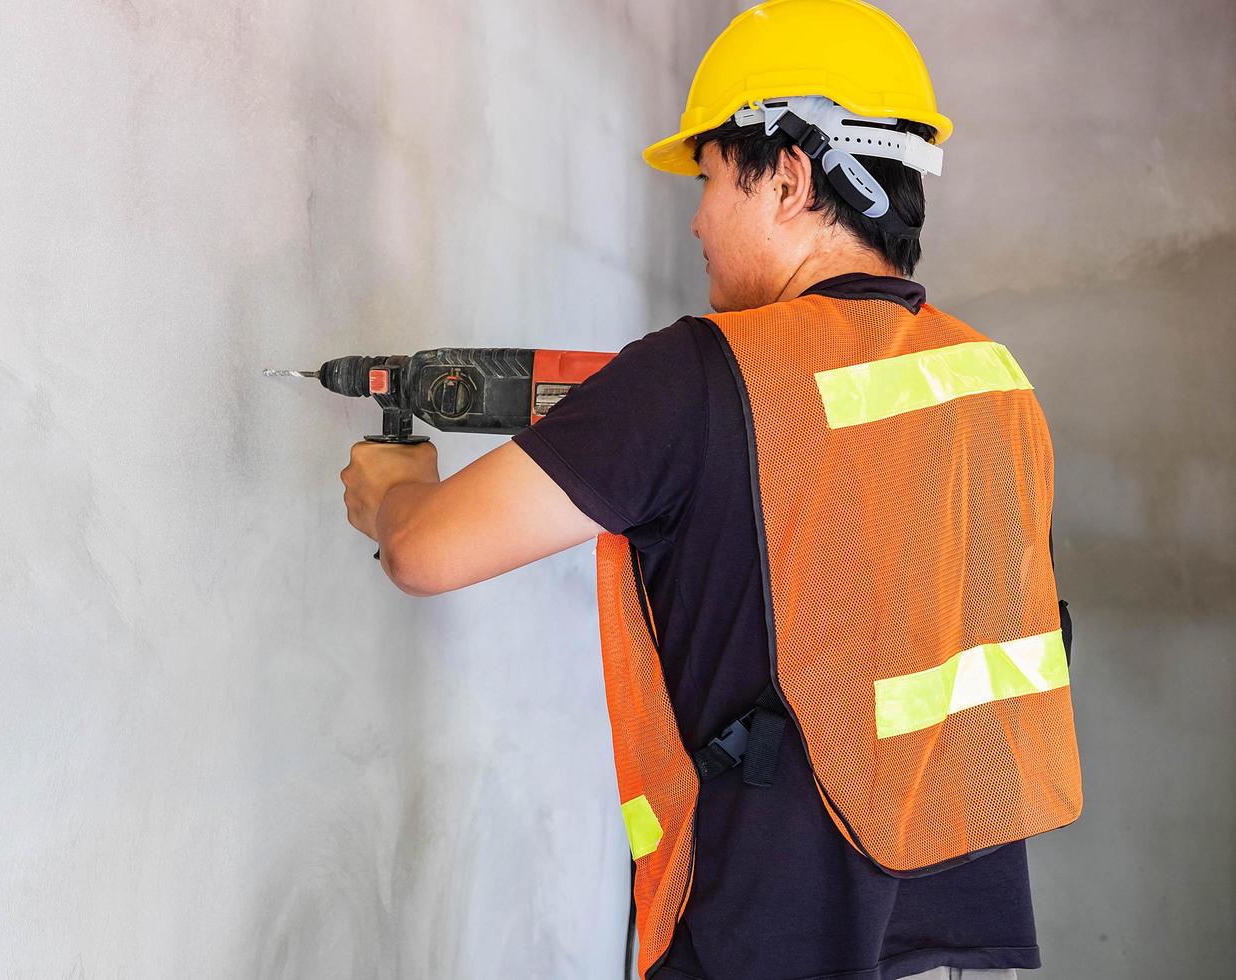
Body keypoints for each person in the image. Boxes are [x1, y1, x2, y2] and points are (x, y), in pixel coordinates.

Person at [338, 2, 1081, 978]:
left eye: (708, 180)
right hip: (950, 935)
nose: (694, 218)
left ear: (789, 176)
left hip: (761, 941)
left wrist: (393, 488)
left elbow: (427, 549)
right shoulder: (994, 382)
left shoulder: (699, 372)